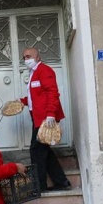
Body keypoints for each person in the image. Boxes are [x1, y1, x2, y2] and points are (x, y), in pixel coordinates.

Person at [20, 47, 71, 192]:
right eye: (24, 57)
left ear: (37, 57)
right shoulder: (34, 72)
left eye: (28, 56)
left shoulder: (45, 71)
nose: (26, 59)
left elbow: (53, 93)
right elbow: (36, 95)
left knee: (36, 151)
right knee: (44, 151)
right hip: (38, 118)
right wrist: (22, 101)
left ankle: (39, 185)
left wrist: (50, 114)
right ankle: (62, 182)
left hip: (45, 120)